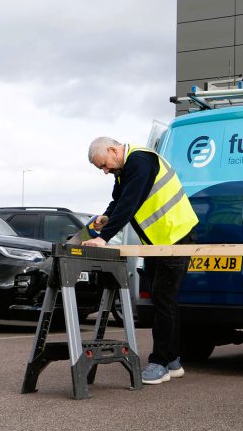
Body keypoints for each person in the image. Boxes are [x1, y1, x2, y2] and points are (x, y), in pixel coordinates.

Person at [82, 137, 199, 385]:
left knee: (163, 298)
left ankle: (160, 363)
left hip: (175, 237)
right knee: (163, 299)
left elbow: (130, 203)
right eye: (101, 168)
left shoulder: (141, 162)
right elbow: (119, 200)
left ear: (114, 150)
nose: (105, 171)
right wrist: (107, 216)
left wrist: (104, 238)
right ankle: (172, 360)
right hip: (159, 242)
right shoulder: (125, 169)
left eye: (104, 165)